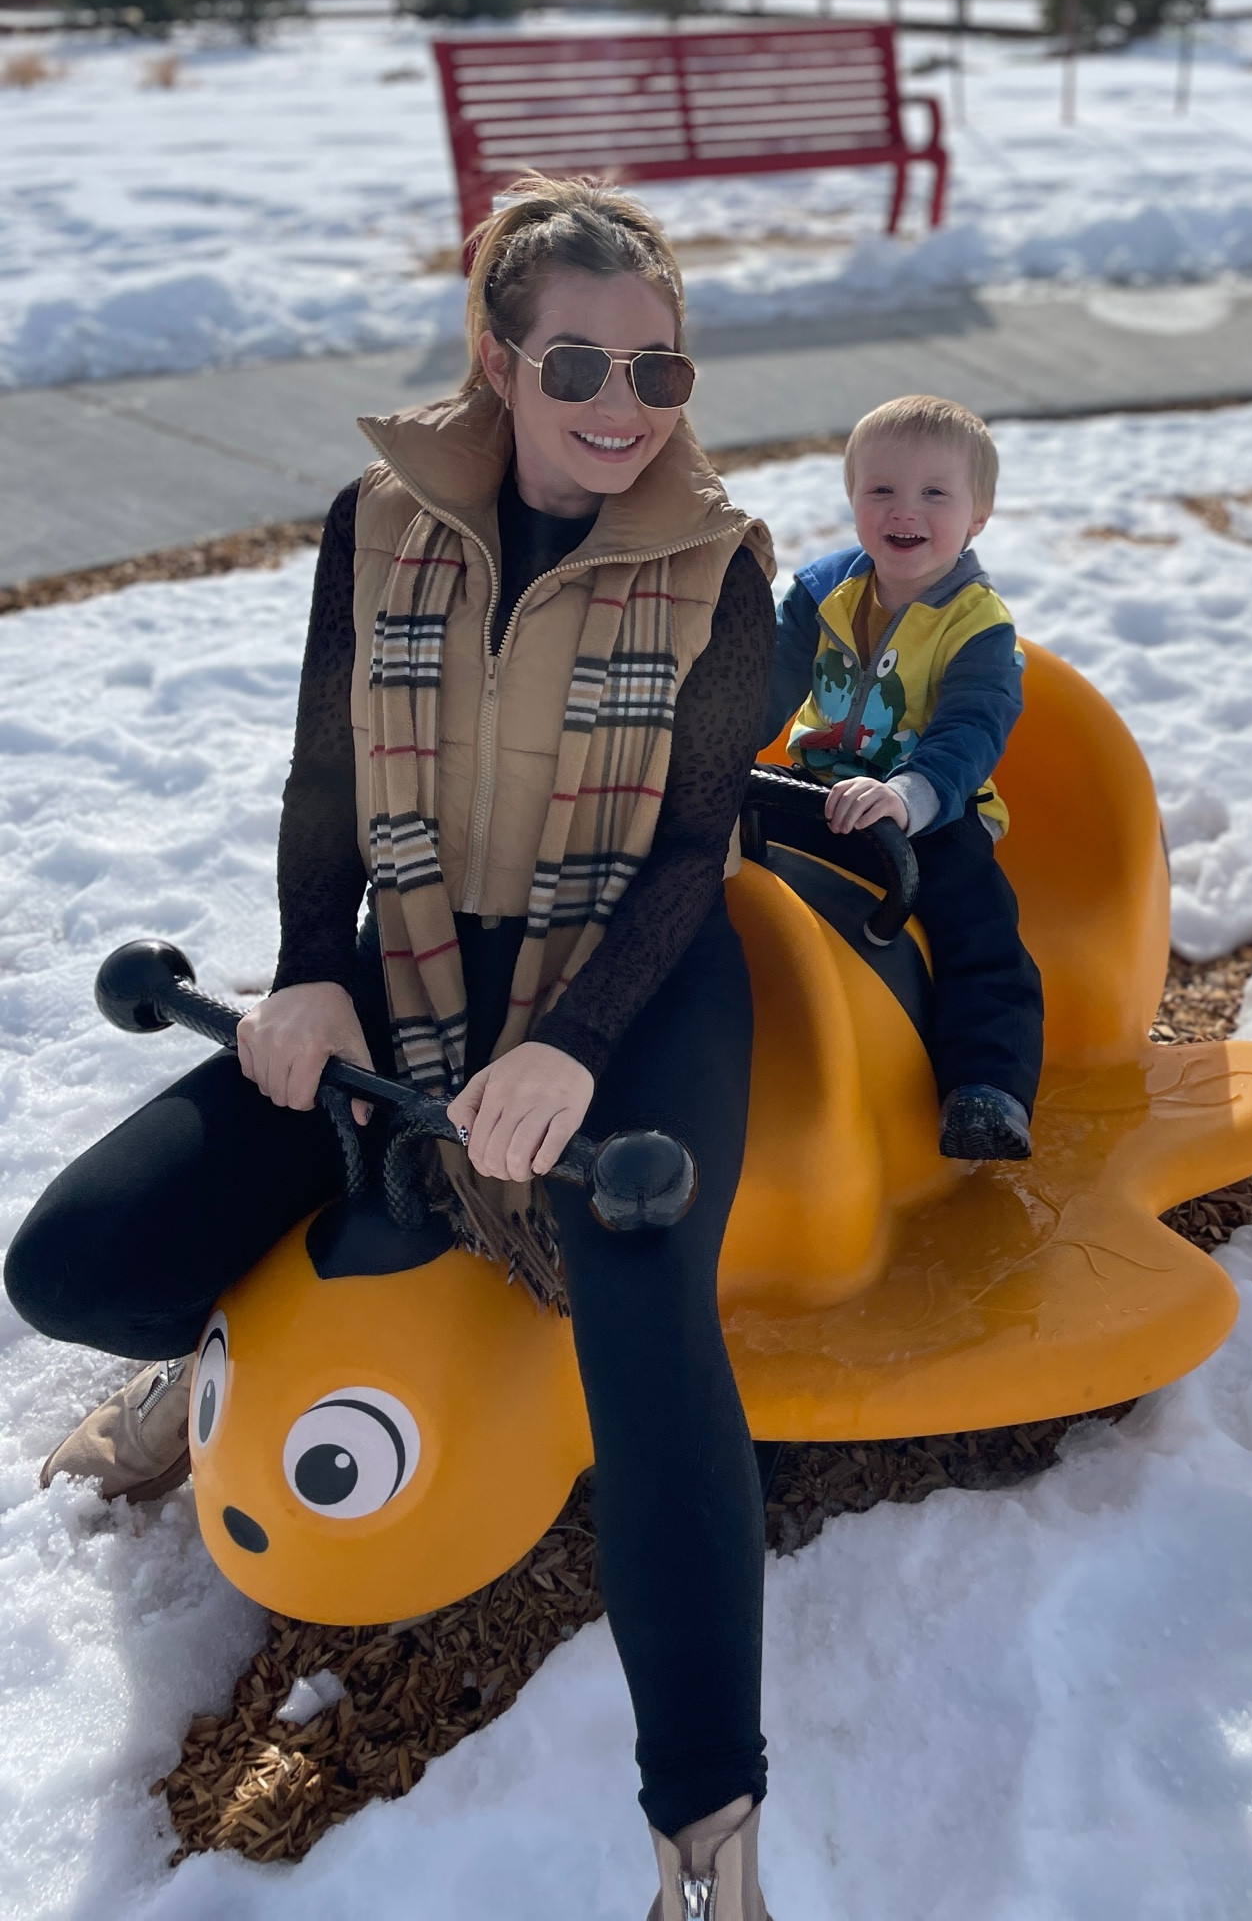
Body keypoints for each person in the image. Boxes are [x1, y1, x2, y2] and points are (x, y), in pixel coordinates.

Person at [5, 175, 778, 1921]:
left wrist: (577, 1047)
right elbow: (326, 782)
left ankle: (706, 1835)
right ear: (495, 359)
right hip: (416, 960)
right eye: (579, 360)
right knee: (75, 1261)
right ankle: (209, 1344)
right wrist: (304, 977)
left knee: (644, 1315)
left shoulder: (728, 568)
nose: (621, 406)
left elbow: (687, 852)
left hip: (636, 981)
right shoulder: (377, 521)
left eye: (659, 373)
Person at [763, 395, 1044, 1161]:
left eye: (934, 493)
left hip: (930, 809)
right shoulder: (820, 593)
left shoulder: (976, 624)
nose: (903, 511)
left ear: (977, 515)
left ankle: (988, 1086)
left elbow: (972, 729)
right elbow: (766, 690)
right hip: (815, 790)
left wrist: (909, 795)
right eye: (881, 490)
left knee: (978, 920)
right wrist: (705, 752)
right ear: (853, 499)